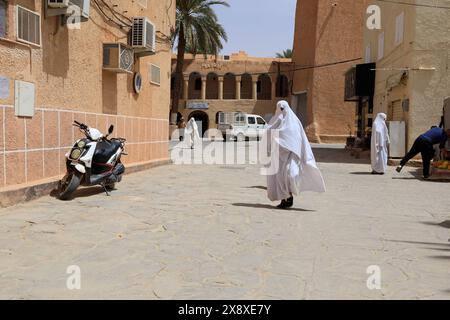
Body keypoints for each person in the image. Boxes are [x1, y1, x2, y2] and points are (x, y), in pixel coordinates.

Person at [265, 101, 326, 209]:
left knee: (290, 175)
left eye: (283, 108)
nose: (281, 110)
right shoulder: (275, 121)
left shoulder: (294, 122)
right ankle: (285, 199)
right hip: (278, 156)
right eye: (280, 108)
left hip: (291, 155)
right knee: (280, 178)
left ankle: (289, 197)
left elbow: (297, 137)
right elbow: (269, 132)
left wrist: (283, 139)